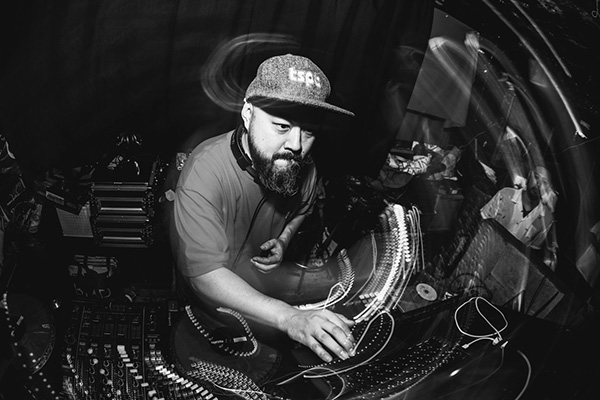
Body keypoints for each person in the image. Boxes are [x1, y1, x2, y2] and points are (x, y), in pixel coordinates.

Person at [170, 54, 356, 363]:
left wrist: (283, 240)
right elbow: (205, 274)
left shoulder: (304, 167)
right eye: (282, 126)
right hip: (207, 306)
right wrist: (290, 317)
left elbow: (303, 209)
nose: (296, 145)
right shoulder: (205, 170)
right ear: (248, 114)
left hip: (263, 298)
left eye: (308, 132)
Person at [480, 166, 558, 269]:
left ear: (549, 188)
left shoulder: (546, 219)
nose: (538, 184)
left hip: (506, 266)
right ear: (529, 175)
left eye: (544, 182)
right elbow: (481, 221)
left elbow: (532, 251)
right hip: (483, 252)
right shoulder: (506, 195)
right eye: (536, 177)